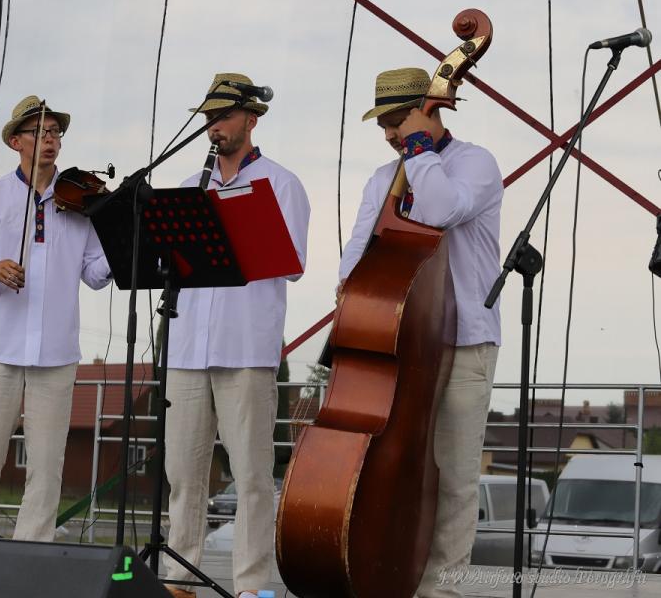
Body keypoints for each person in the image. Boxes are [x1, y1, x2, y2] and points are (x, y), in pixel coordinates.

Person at [339, 67, 503, 597]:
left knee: (454, 477)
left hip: (465, 342)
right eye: (384, 126)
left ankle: (442, 591)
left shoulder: (474, 162)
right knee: (396, 468)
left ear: (426, 110)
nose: (389, 134)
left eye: (396, 122)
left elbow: (439, 209)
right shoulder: (381, 178)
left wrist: (417, 150)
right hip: (400, 343)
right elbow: (356, 254)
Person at [163, 73, 311, 598]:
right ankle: (180, 578)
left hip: (245, 347)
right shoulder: (190, 186)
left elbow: (293, 264)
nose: (214, 126)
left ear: (251, 119)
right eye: (209, 118)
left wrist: (243, 228)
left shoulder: (281, 183)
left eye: (223, 116)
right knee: (183, 474)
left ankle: (251, 588)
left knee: (250, 475)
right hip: (187, 346)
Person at [0, 95, 112, 541]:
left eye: (55, 132)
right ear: (15, 142)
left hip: (56, 352)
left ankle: (32, 553)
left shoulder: (80, 201)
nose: (50, 139)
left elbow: (95, 273)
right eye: (40, 132)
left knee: (46, 467)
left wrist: (124, 241)